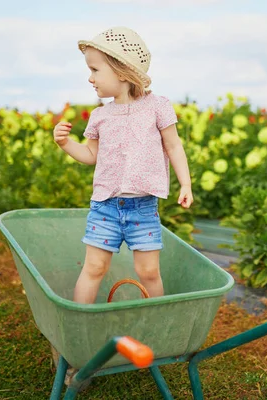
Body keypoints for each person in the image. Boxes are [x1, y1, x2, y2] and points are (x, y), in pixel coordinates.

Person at [53, 26, 193, 306]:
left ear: (121, 70)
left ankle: (157, 321)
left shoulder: (158, 106)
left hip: (143, 207)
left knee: (149, 271)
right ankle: (80, 323)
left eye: (95, 70)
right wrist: (66, 144)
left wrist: (186, 184)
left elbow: (174, 146)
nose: (90, 78)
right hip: (105, 206)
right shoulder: (100, 115)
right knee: (93, 268)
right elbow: (91, 154)